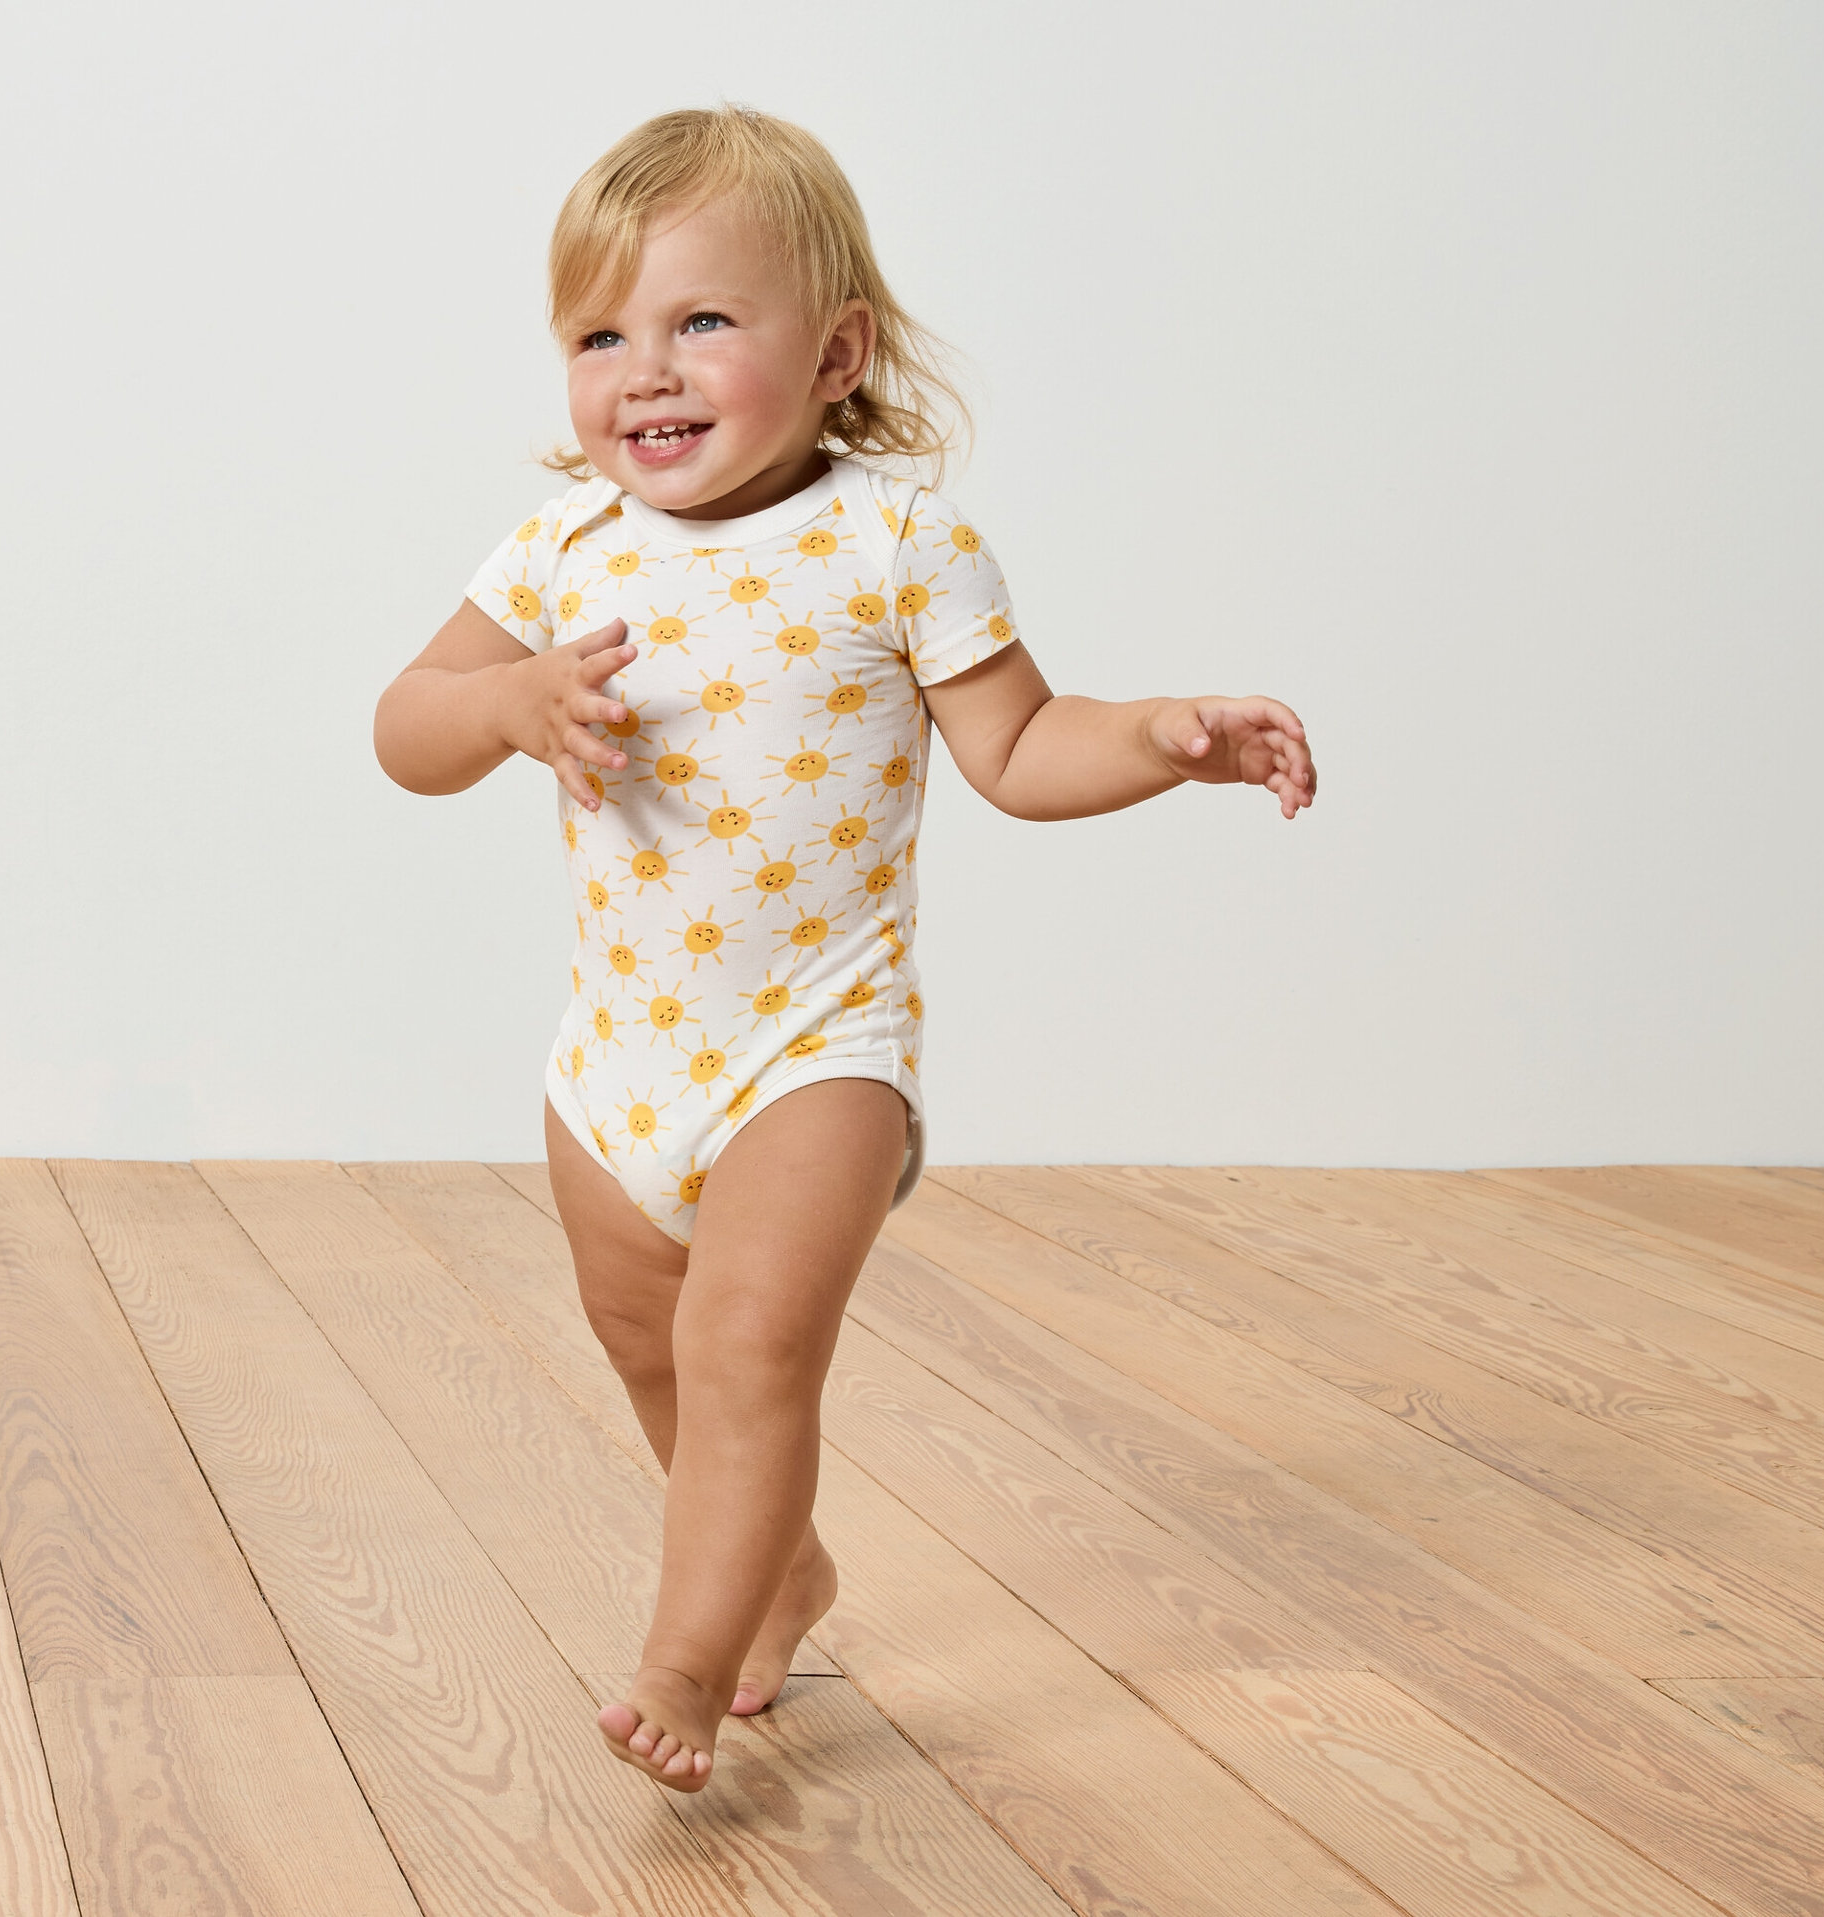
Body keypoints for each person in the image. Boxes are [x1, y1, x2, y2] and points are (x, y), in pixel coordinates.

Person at [374, 105, 1316, 1793]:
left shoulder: (899, 543)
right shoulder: (558, 550)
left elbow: (1023, 752)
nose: (643, 374)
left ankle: (686, 1645)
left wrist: (1163, 736)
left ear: (838, 351)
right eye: (601, 336)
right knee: (644, 1338)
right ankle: (781, 1564)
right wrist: (507, 702)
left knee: (746, 1343)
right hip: (616, 1059)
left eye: (700, 323)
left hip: (817, 1049)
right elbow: (405, 727)